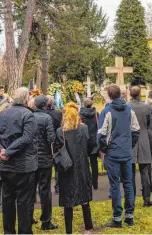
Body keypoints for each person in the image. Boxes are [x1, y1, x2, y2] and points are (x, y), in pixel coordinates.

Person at [0, 87, 38, 235]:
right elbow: (27, 138)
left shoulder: (2, 113)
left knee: (8, 200)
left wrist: (2, 151)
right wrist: (5, 152)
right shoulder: (28, 115)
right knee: (23, 202)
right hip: (23, 165)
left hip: (6, 164)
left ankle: (9, 232)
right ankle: (23, 231)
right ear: (26, 99)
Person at [98, 84, 140, 228]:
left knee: (115, 185)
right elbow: (136, 130)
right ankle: (129, 216)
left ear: (109, 95)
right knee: (128, 184)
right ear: (121, 94)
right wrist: (129, 145)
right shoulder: (129, 110)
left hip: (113, 153)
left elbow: (101, 134)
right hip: (126, 152)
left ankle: (117, 218)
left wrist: (105, 149)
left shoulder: (107, 111)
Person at [54, 102, 93, 235]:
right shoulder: (84, 128)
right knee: (85, 199)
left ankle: (68, 230)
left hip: (67, 168)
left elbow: (57, 148)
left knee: (67, 202)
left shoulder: (60, 132)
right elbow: (90, 145)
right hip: (82, 166)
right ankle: (88, 228)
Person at [33, 95, 57, 230]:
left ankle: (28, 216)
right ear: (45, 105)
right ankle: (46, 221)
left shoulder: (29, 116)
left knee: (30, 189)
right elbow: (51, 138)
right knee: (45, 190)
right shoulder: (47, 118)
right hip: (44, 158)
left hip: (31, 158)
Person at [129, 86, 152, 207]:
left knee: (131, 172)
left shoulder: (127, 107)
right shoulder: (146, 107)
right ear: (140, 94)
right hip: (143, 138)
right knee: (145, 171)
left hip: (131, 140)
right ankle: (147, 199)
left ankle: (131, 199)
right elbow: (149, 123)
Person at [80, 98, 99, 190]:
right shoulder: (96, 114)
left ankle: (86, 183)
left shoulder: (80, 114)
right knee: (94, 163)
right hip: (94, 140)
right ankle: (95, 183)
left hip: (84, 140)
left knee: (84, 163)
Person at [47, 96, 63, 194]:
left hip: (46, 144)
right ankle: (58, 186)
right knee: (58, 166)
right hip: (57, 143)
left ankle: (46, 188)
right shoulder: (58, 113)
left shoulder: (43, 114)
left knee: (46, 167)